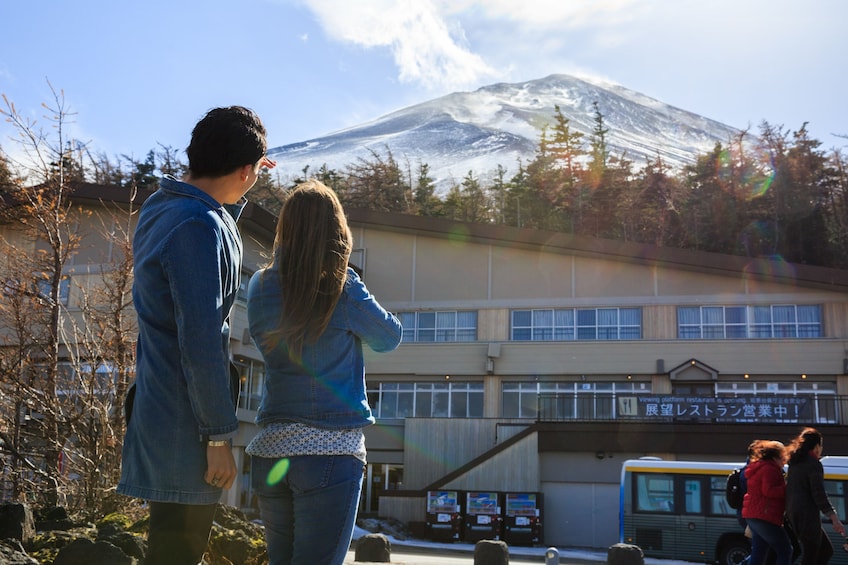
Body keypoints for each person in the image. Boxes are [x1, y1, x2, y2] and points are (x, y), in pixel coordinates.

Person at [117, 106, 275, 565]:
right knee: (176, 553)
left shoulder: (162, 207)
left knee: (167, 549)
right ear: (247, 169)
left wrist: (242, 176)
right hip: (186, 424)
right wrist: (219, 439)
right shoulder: (198, 227)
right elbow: (202, 342)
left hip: (158, 406)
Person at [245, 179, 402, 565]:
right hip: (330, 451)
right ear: (337, 230)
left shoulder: (260, 285)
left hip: (270, 450)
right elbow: (389, 338)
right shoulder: (341, 287)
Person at [786, 427, 846, 565]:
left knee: (825, 551)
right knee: (811, 554)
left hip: (794, 514)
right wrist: (834, 518)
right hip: (807, 517)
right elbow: (819, 494)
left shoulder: (795, 463)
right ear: (817, 446)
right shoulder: (813, 464)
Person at [741, 440, 793, 565]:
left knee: (759, 552)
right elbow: (769, 491)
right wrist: (788, 487)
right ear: (775, 458)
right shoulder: (770, 469)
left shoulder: (759, 467)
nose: (784, 462)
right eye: (782, 458)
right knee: (786, 550)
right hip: (765, 516)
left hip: (753, 515)